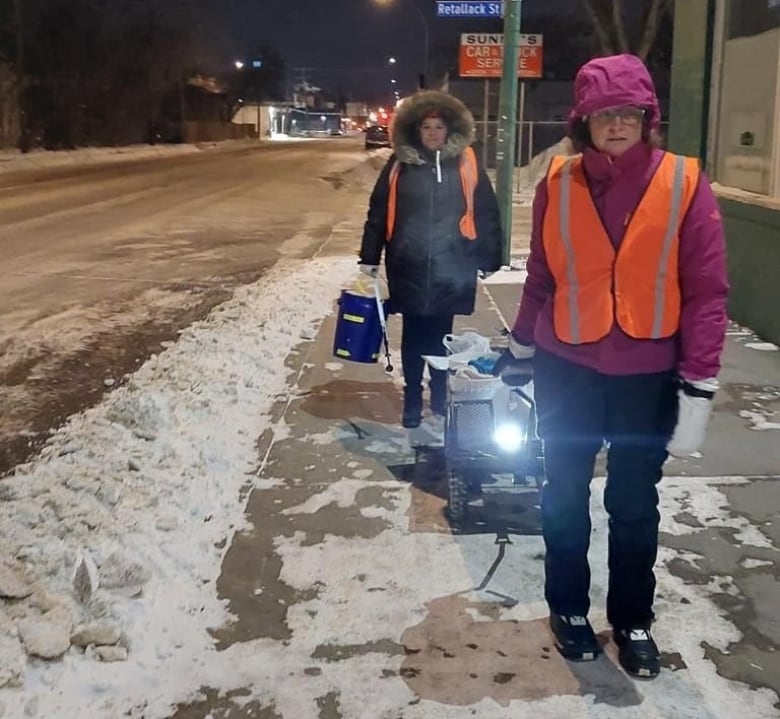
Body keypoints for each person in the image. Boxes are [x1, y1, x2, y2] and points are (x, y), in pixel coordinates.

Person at [508, 54, 729, 678]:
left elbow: (708, 291)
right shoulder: (556, 183)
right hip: (566, 368)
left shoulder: (685, 182)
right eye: (604, 114)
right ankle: (569, 609)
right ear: (583, 121)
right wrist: (521, 346)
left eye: (629, 113)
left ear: (647, 118)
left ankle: (633, 619)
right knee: (564, 493)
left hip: (646, 373)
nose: (617, 124)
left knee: (634, 502)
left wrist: (699, 381)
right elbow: (543, 273)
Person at [359, 90, 503, 428]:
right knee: (413, 333)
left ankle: (439, 393)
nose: (433, 133)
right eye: (427, 127)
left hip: (452, 264)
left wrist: (490, 256)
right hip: (407, 262)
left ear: (449, 129)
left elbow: (487, 212)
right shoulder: (399, 164)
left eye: (439, 126)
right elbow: (378, 210)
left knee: (442, 334)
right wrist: (369, 255)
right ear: (416, 130)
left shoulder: (467, 163)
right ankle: (412, 397)